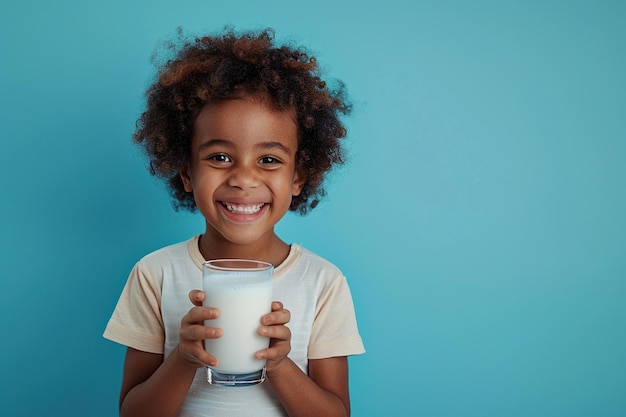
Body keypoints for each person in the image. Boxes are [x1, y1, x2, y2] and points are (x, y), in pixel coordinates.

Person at [103, 27, 365, 417]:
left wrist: (278, 364)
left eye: (269, 160)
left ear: (298, 177)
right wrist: (183, 358)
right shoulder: (154, 274)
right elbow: (133, 412)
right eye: (220, 157)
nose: (243, 179)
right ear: (187, 172)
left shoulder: (323, 283)